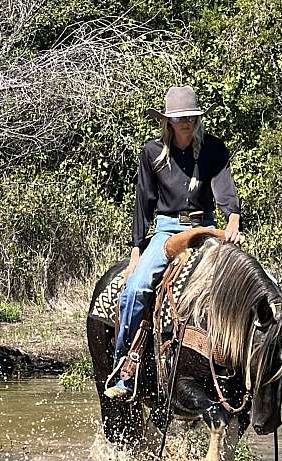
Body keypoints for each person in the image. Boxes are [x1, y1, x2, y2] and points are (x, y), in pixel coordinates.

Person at [104, 85, 241, 399]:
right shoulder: (152, 153)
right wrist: (137, 249)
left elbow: (224, 189)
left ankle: (249, 364)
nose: (186, 123)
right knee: (136, 288)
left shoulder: (214, 150)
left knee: (250, 283)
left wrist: (233, 218)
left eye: (191, 117)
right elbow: (144, 202)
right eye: (180, 118)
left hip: (205, 229)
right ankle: (124, 367)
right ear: (168, 121)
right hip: (167, 232)